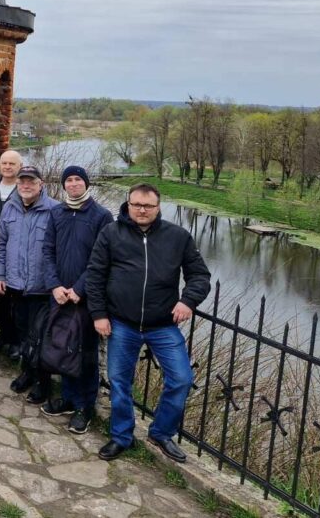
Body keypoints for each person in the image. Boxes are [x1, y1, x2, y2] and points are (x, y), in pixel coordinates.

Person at [87, 183, 211, 463]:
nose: (142, 210)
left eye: (148, 206)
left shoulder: (177, 237)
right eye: (137, 205)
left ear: (158, 207)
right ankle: (121, 436)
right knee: (119, 382)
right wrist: (99, 314)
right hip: (122, 323)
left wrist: (188, 301)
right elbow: (95, 276)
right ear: (128, 204)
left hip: (162, 325)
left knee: (181, 379)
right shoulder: (111, 233)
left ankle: (161, 432)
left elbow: (200, 275)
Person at [41, 165, 113, 435]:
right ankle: (69, 398)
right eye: (68, 180)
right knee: (63, 347)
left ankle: (85, 406)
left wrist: (79, 288)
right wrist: (55, 285)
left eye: (77, 180)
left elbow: (101, 258)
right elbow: (47, 251)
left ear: (86, 183)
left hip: (86, 297)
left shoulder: (101, 216)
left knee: (85, 352)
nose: (73, 184)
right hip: (59, 295)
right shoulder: (57, 213)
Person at [0, 165, 58, 406]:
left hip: (42, 287)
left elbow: (58, 250)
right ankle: (27, 372)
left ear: (41, 184)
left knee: (39, 335)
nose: (26, 186)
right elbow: (1, 244)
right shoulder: (9, 208)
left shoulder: (54, 210)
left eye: (31, 181)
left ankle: (42, 381)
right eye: (22, 182)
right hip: (16, 284)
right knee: (22, 331)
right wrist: (0, 275)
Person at [0, 150, 24, 359]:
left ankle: (16, 340)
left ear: (20, 166)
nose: (7, 167)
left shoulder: (24, 190)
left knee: (16, 300)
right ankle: (2, 335)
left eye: (12, 164)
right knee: (0, 299)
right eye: (4, 163)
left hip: (16, 253)